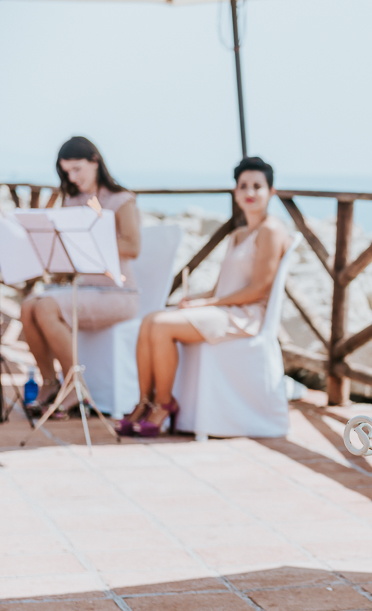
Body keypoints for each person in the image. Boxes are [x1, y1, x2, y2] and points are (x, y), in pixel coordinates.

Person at [117, 156, 290, 437]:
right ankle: (143, 403)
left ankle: (164, 404)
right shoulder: (239, 233)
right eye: (243, 185)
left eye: (257, 186)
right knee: (151, 319)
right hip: (224, 308)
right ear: (235, 191)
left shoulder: (271, 230)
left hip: (245, 315)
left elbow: (259, 289)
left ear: (271, 192)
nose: (249, 192)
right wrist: (195, 299)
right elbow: (220, 288)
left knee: (161, 326)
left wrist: (208, 303)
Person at [21, 136, 141, 418]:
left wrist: (87, 249)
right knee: (29, 306)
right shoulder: (72, 200)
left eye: (77, 170)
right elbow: (67, 260)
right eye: (66, 172)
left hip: (119, 294)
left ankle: (75, 386)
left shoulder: (121, 200)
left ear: (95, 162)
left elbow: (133, 247)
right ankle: (50, 382)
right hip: (84, 290)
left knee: (46, 306)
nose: (71, 177)